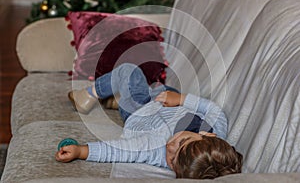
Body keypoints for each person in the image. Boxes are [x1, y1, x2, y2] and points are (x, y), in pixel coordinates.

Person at [55, 63, 242, 179]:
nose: (170, 146)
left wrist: (81, 151)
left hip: (140, 111)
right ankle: (118, 99)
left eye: (172, 160)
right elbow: (214, 110)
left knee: (129, 72)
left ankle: (87, 95)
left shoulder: (154, 147)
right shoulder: (216, 132)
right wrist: (181, 99)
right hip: (164, 102)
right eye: (182, 142)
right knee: (164, 88)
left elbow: (118, 150)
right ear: (207, 135)